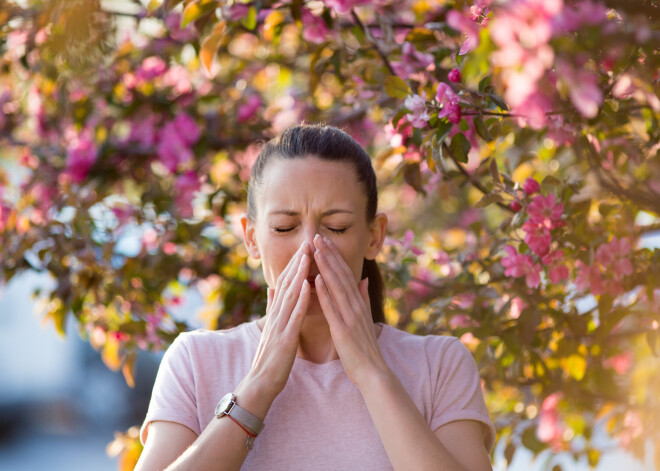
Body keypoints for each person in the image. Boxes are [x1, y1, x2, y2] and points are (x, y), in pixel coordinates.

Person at [135, 124, 495, 471]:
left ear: (374, 236)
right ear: (251, 238)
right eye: (284, 228)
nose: (308, 247)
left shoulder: (439, 365)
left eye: (336, 227)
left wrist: (372, 373)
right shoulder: (195, 362)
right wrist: (258, 387)